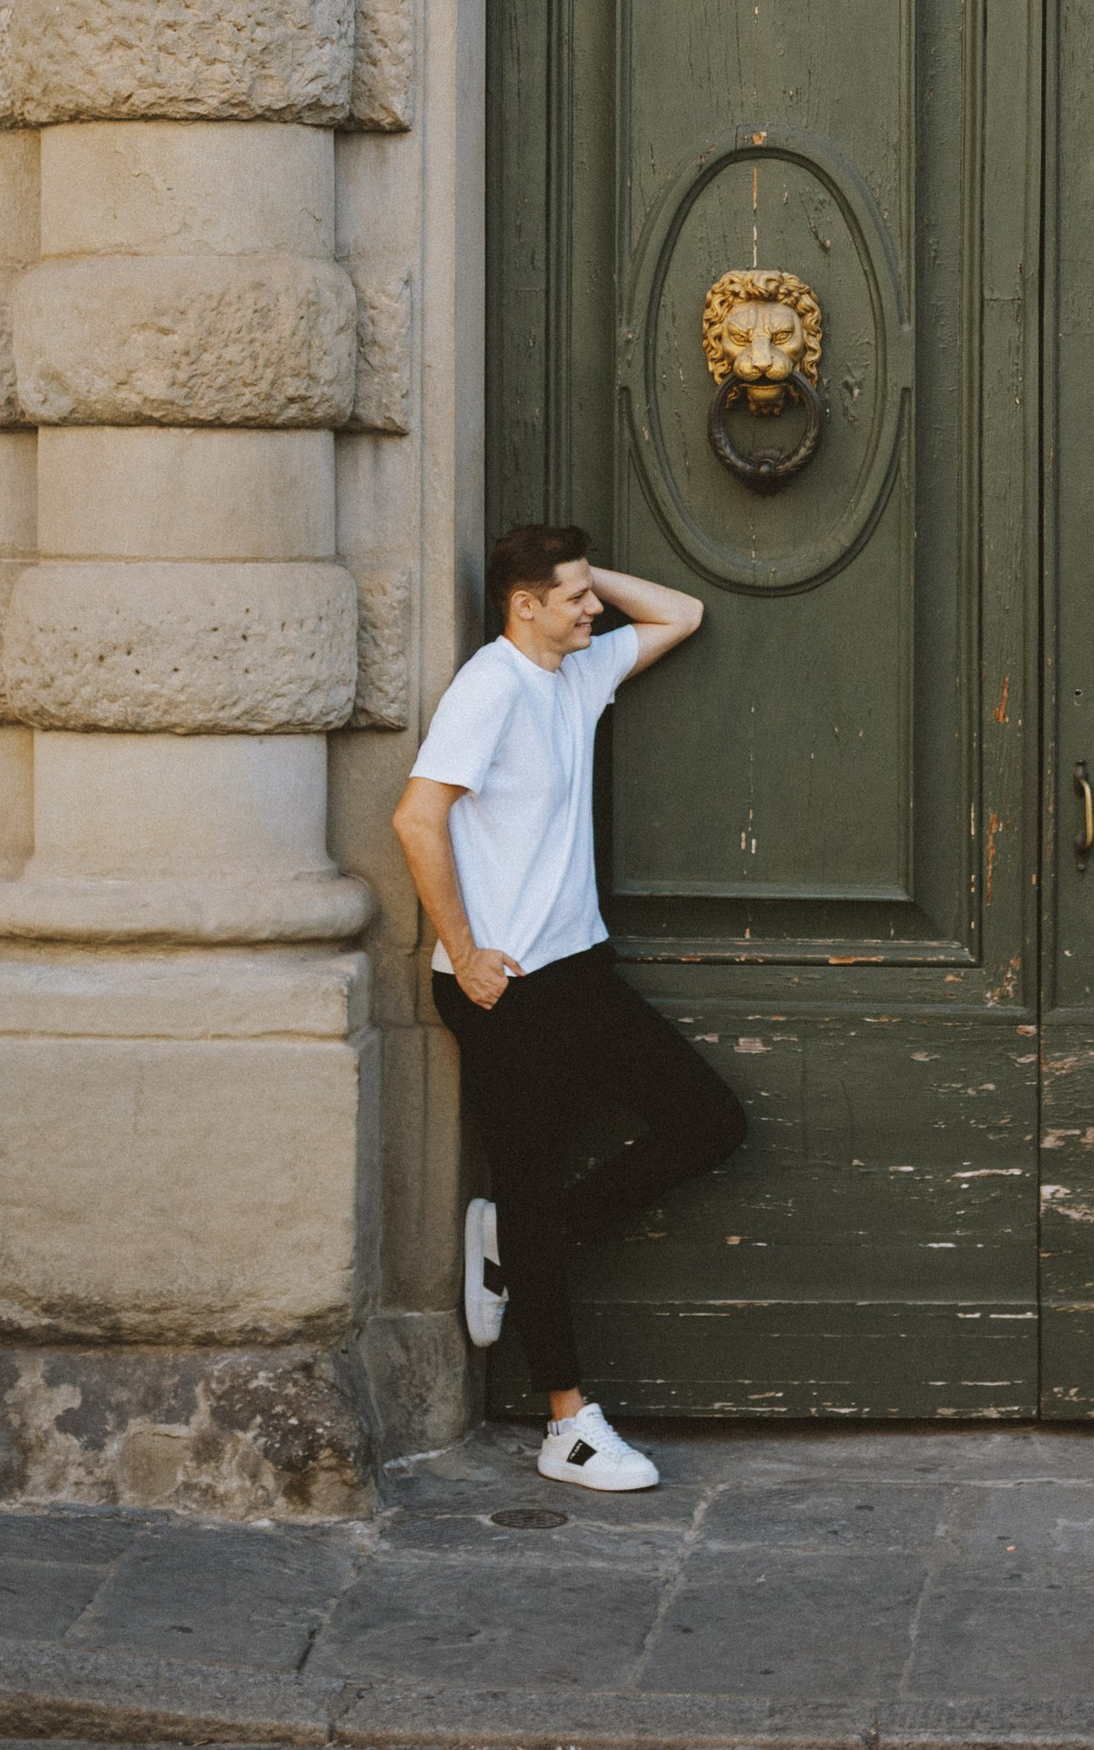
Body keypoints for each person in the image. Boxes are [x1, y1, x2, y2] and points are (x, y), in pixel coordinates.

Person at [392, 522, 747, 1493]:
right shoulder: (490, 686)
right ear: (524, 606)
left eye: (590, 592)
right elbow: (416, 817)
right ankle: (568, 1426)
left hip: (578, 970)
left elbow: (685, 611)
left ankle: (518, 1232)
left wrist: (583, 581)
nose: (596, 607)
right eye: (575, 593)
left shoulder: (575, 673)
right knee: (530, 1172)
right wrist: (462, 955)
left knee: (708, 1123)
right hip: (504, 989)